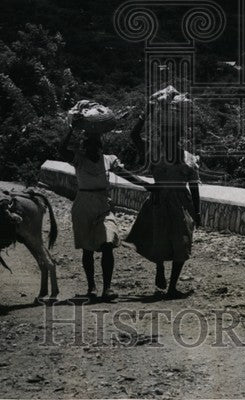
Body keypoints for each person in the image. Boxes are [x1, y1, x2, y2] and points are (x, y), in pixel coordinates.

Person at [63, 101, 151, 302]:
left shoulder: (108, 159)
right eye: (89, 144)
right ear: (84, 146)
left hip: (103, 203)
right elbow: (62, 150)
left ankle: (107, 288)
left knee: (108, 243)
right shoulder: (79, 159)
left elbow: (127, 175)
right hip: (84, 203)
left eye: (96, 144)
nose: (93, 147)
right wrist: (70, 129)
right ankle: (92, 287)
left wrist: (147, 185)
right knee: (87, 248)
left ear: (101, 146)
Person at [125, 97, 201, 299]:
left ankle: (173, 286)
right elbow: (133, 135)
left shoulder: (188, 158)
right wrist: (146, 113)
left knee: (182, 242)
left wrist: (198, 211)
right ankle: (159, 269)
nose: (169, 138)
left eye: (173, 134)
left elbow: (194, 186)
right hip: (159, 200)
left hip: (181, 203)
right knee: (158, 237)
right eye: (165, 134)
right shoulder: (155, 152)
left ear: (178, 137)